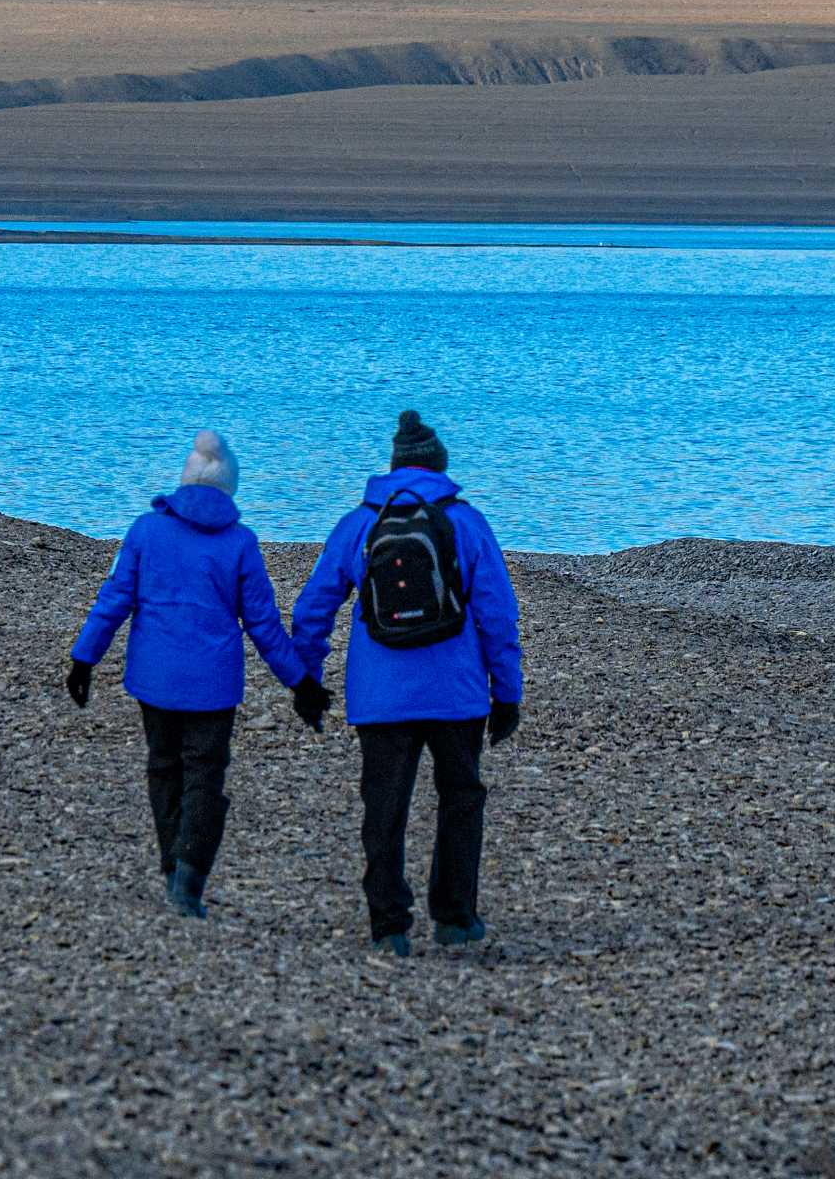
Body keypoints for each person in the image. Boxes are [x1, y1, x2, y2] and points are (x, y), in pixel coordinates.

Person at [66, 430, 329, 919]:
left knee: (164, 767)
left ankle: (174, 868)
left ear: (185, 481)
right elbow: (264, 625)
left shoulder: (146, 531)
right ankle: (188, 878)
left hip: (155, 677)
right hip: (212, 685)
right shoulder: (240, 543)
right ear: (229, 487)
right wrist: (302, 683)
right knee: (204, 777)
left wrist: (85, 658)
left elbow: (115, 600)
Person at [291, 409, 523, 956]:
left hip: (381, 696)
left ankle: (389, 925)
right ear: (439, 468)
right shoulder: (465, 522)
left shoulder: (360, 523)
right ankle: (455, 916)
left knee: (385, 808)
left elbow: (313, 608)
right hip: (457, 693)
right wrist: (506, 692)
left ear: (393, 467)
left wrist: (307, 677)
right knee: (461, 798)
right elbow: (498, 614)